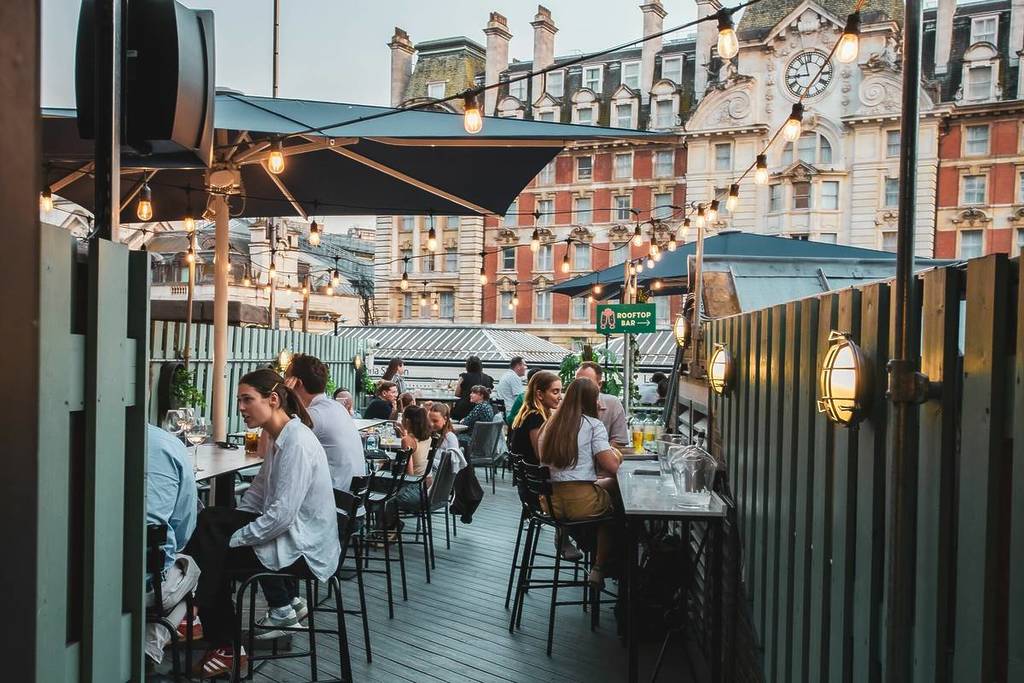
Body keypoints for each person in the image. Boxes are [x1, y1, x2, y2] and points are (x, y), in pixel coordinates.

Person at [185, 369, 339, 678]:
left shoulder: (295, 443)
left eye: (247, 400)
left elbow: (281, 517)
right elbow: (258, 492)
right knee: (210, 521)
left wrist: (233, 538)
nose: (240, 407)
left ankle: (215, 634)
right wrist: (231, 526)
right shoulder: (280, 435)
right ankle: (199, 618)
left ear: (272, 399)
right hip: (290, 531)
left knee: (216, 553)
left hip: (303, 547)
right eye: (239, 400)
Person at [538, 377, 621, 587]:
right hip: (580, 504)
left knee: (605, 486)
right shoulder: (593, 425)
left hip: (551, 502)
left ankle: (566, 536)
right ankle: (599, 567)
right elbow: (611, 467)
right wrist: (616, 454)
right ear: (590, 400)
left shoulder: (549, 424)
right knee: (613, 514)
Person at [285, 355, 365, 495]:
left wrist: (282, 399)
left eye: (285, 378)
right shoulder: (336, 407)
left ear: (297, 383)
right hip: (352, 499)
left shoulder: (315, 415)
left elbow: (270, 450)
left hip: (336, 503)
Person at [146, 423, 198, 573]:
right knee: (192, 567)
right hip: (151, 578)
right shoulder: (168, 444)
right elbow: (184, 531)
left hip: (82, 580)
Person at [509, 371, 561, 467]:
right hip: (536, 477)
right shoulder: (536, 416)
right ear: (540, 395)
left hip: (527, 476)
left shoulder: (528, 414)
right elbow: (540, 454)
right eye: (555, 392)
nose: (560, 397)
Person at [575, 361, 629, 449]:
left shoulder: (612, 403)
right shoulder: (566, 404)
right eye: (577, 383)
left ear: (599, 384)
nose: (581, 387)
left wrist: (600, 454)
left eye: (587, 383)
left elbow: (619, 441)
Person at [394, 405, 434, 512]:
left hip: (412, 487)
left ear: (407, 420)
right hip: (426, 485)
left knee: (378, 483)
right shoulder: (428, 437)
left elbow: (409, 473)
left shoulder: (407, 440)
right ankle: (390, 521)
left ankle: (388, 522)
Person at [427, 402, 468, 474]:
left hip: (438, 478)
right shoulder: (428, 435)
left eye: (435, 421)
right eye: (429, 420)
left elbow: (451, 465)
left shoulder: (450, 437)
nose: (431, 424)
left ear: (445, 419)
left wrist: (427, 461)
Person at [452, 356, 493, 420]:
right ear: (480, 366)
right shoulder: (488, 378)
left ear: (467, 366)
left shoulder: (464, 377)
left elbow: (457, 394)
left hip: (463, 410)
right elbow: (488, 394)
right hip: (482, 411)